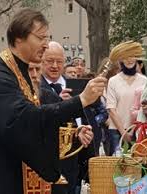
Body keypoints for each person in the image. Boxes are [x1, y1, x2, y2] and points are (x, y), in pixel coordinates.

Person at [0, 9, 106, 194]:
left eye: (47, 38)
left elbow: (39, 122)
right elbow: (25, 119)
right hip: (3, 180)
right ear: (19, 38)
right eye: (41, 38)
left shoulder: (20, 71)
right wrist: (81, 100)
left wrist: (74, 135)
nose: (45, 44)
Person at [40, 41, 94, 194]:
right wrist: (57, 102)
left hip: (76, 157)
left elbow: (85, 115)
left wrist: (86, 131)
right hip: (50, 160)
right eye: (50, 61)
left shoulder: (76, 85)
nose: (55, 65)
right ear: (41, 61)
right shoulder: (37, 87)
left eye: (59, 61)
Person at [106, 55, 146, 155]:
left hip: (138, 129)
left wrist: (132, 130)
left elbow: (144, 107)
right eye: (126, 56)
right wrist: (123, 132)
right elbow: (111, 109)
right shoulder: (113, 81)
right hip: (116, 130)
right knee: (117, 165)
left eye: (132, 56)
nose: (129, 59)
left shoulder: (144, 80)